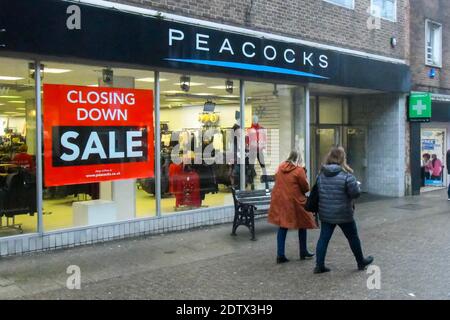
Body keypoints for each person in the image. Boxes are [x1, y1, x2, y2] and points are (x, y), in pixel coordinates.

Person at [314, 146, 373, 274]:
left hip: (326, 213)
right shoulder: (346, 175)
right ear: (342, 158)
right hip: (344, 213)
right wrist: (357, 186)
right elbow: (355, 194)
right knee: (353, 237)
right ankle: (360, 261)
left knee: (323, 238)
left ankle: (319, 265)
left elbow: (318, 191)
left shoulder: (321, 174)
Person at [268, 150, 317, 264]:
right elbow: (305, 188)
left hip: (281, 200)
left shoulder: (280, 167)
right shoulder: (299, 170)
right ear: (298, 159)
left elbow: (279, 181)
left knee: (283, 226)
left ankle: (280, 255)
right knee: (303, 223)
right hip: (295, 201)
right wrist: (304, 173)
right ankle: (303, 251)